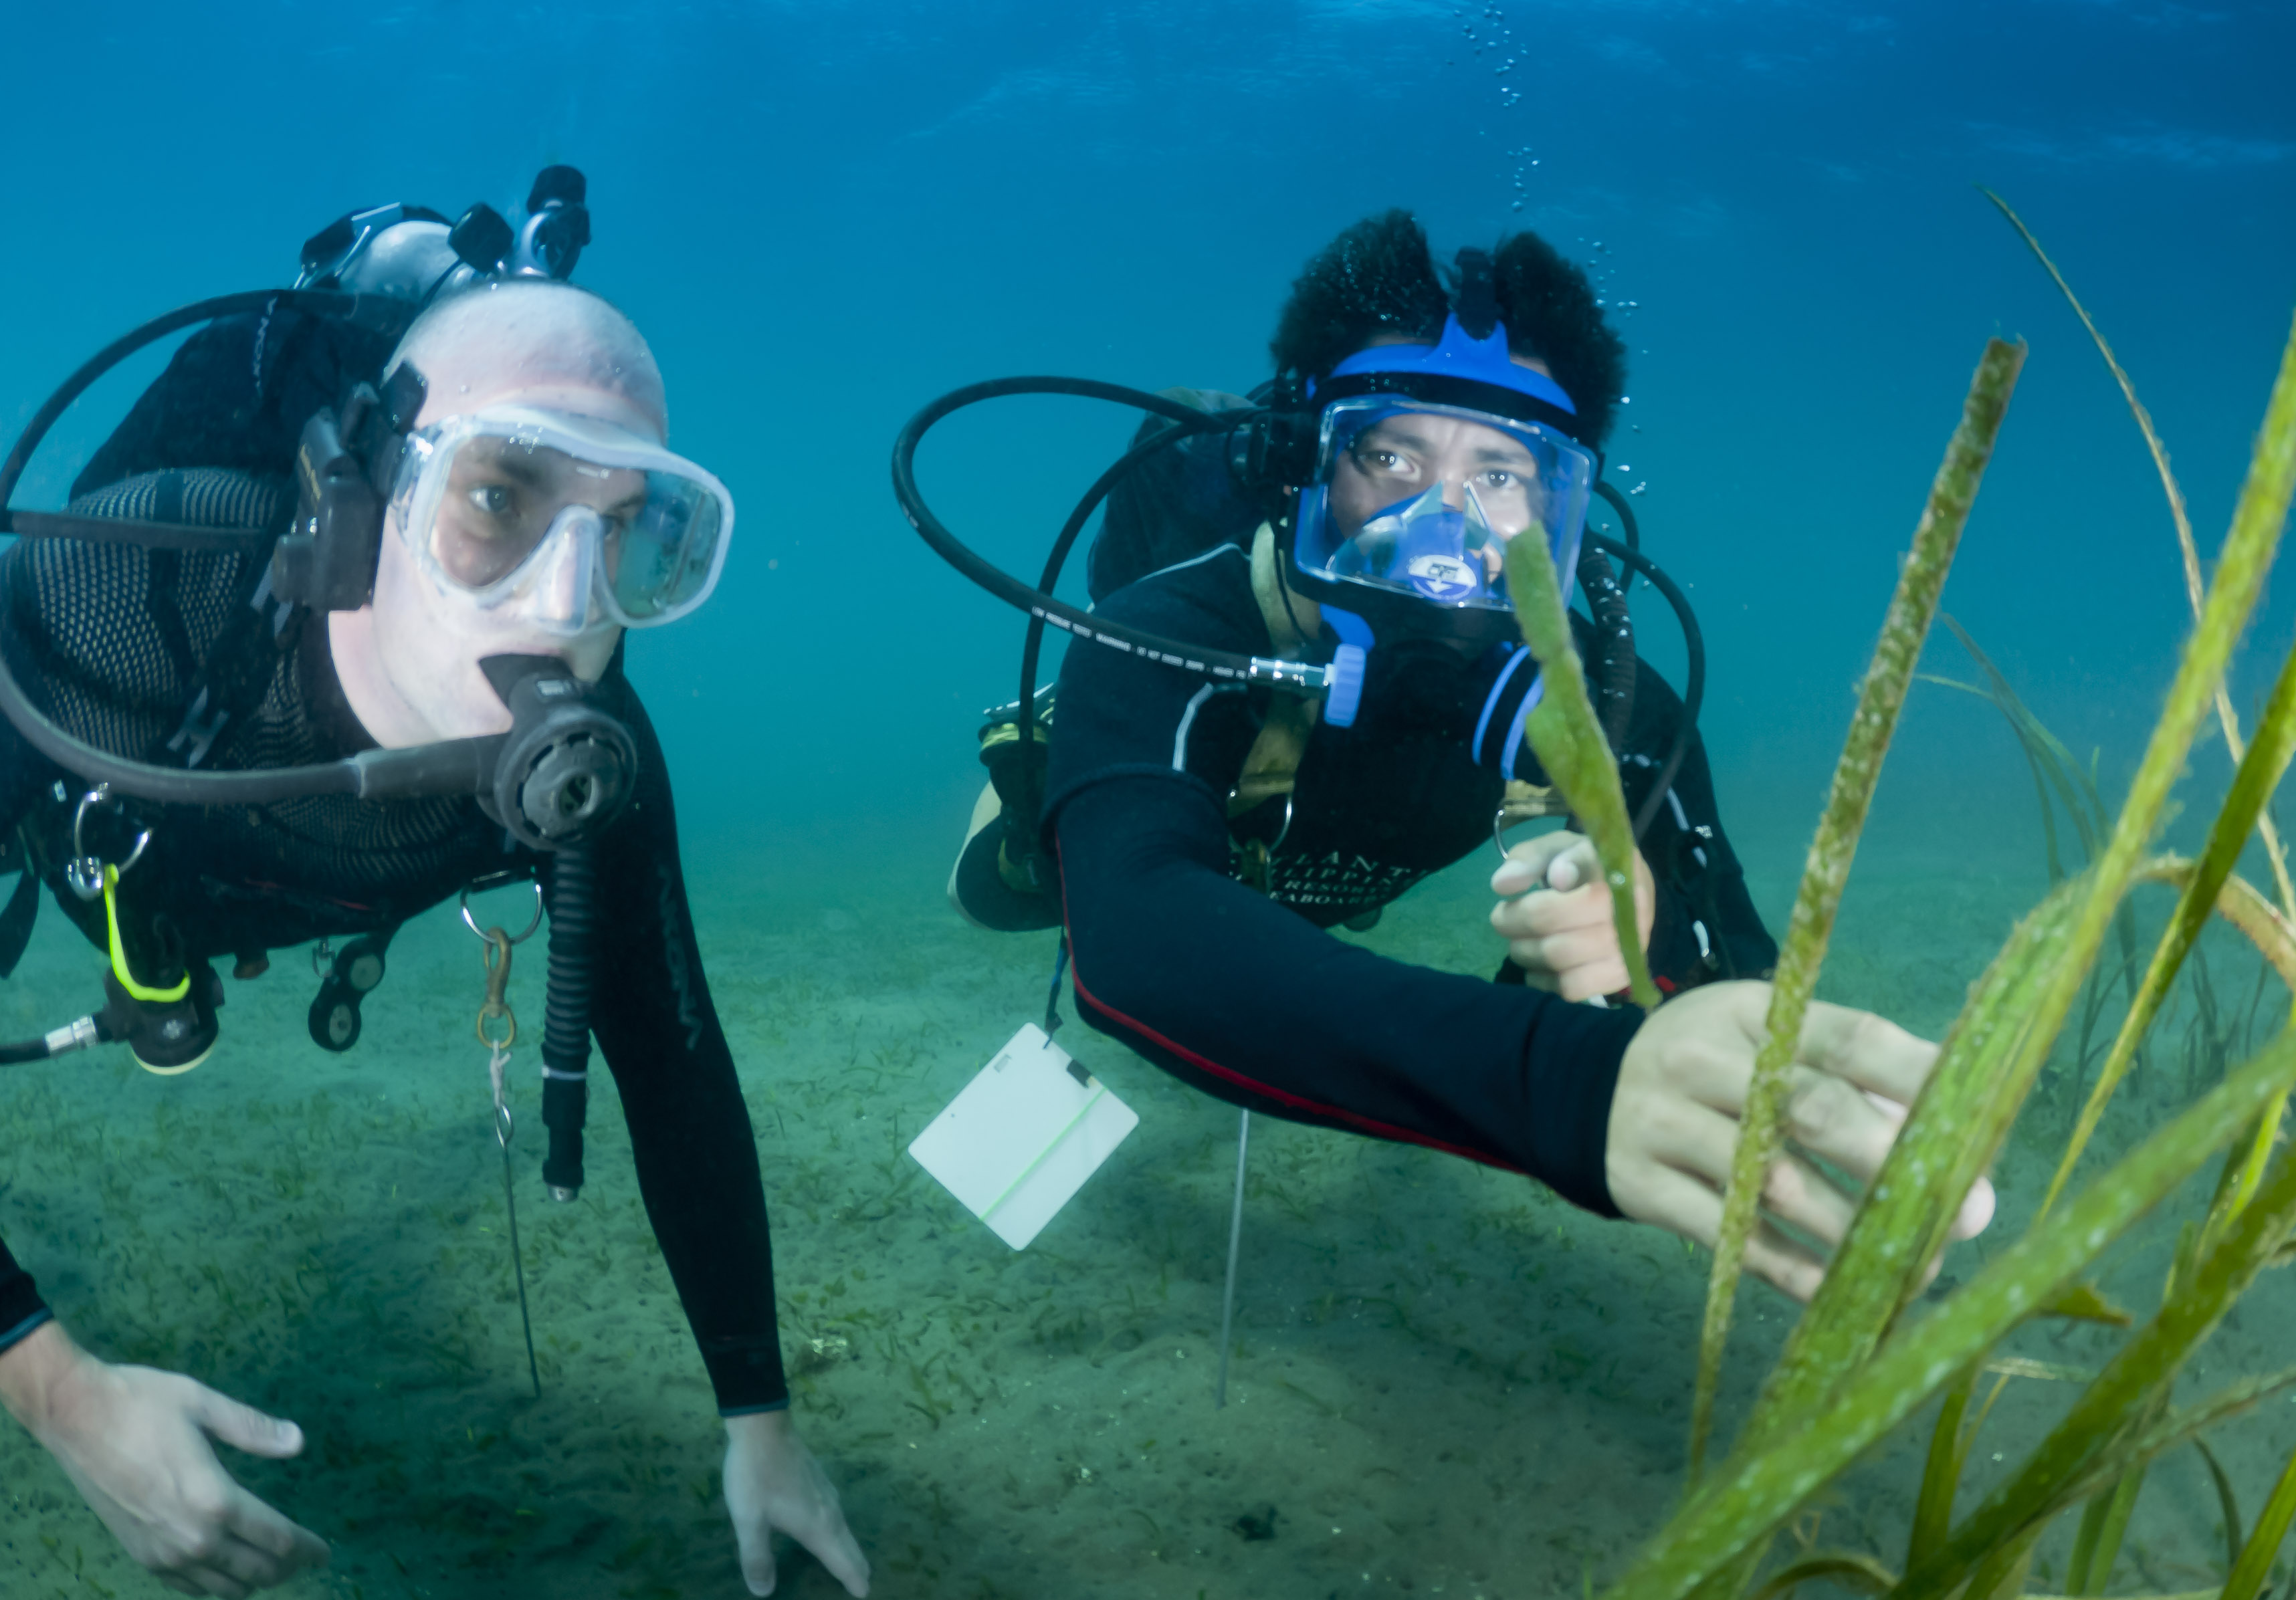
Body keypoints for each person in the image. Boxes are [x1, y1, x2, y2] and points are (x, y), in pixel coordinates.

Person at [0, 219, 868, 1599]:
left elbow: (675, 1065)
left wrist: (756, 1416)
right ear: (356, 501)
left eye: (635, 534)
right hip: (89, 839)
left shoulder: (598, 760)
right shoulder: (107, 600)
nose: (568, 607)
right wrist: (51, 1386)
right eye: (499, 498)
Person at [949, 210, 1991, 1298]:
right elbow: (1139, 940)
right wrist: (1556, 1084)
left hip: (1328, 872)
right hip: (1197, 819)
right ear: (1307, 459)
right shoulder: (1169, 628)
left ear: (1561, 509)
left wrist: (1643, 956)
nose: (1440, 528)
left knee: (1371, 908)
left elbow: (1733, 966)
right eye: (1390, 452)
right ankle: (1049, 800)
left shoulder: (1605, 701)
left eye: (1501, 475)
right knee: (1000, 889)